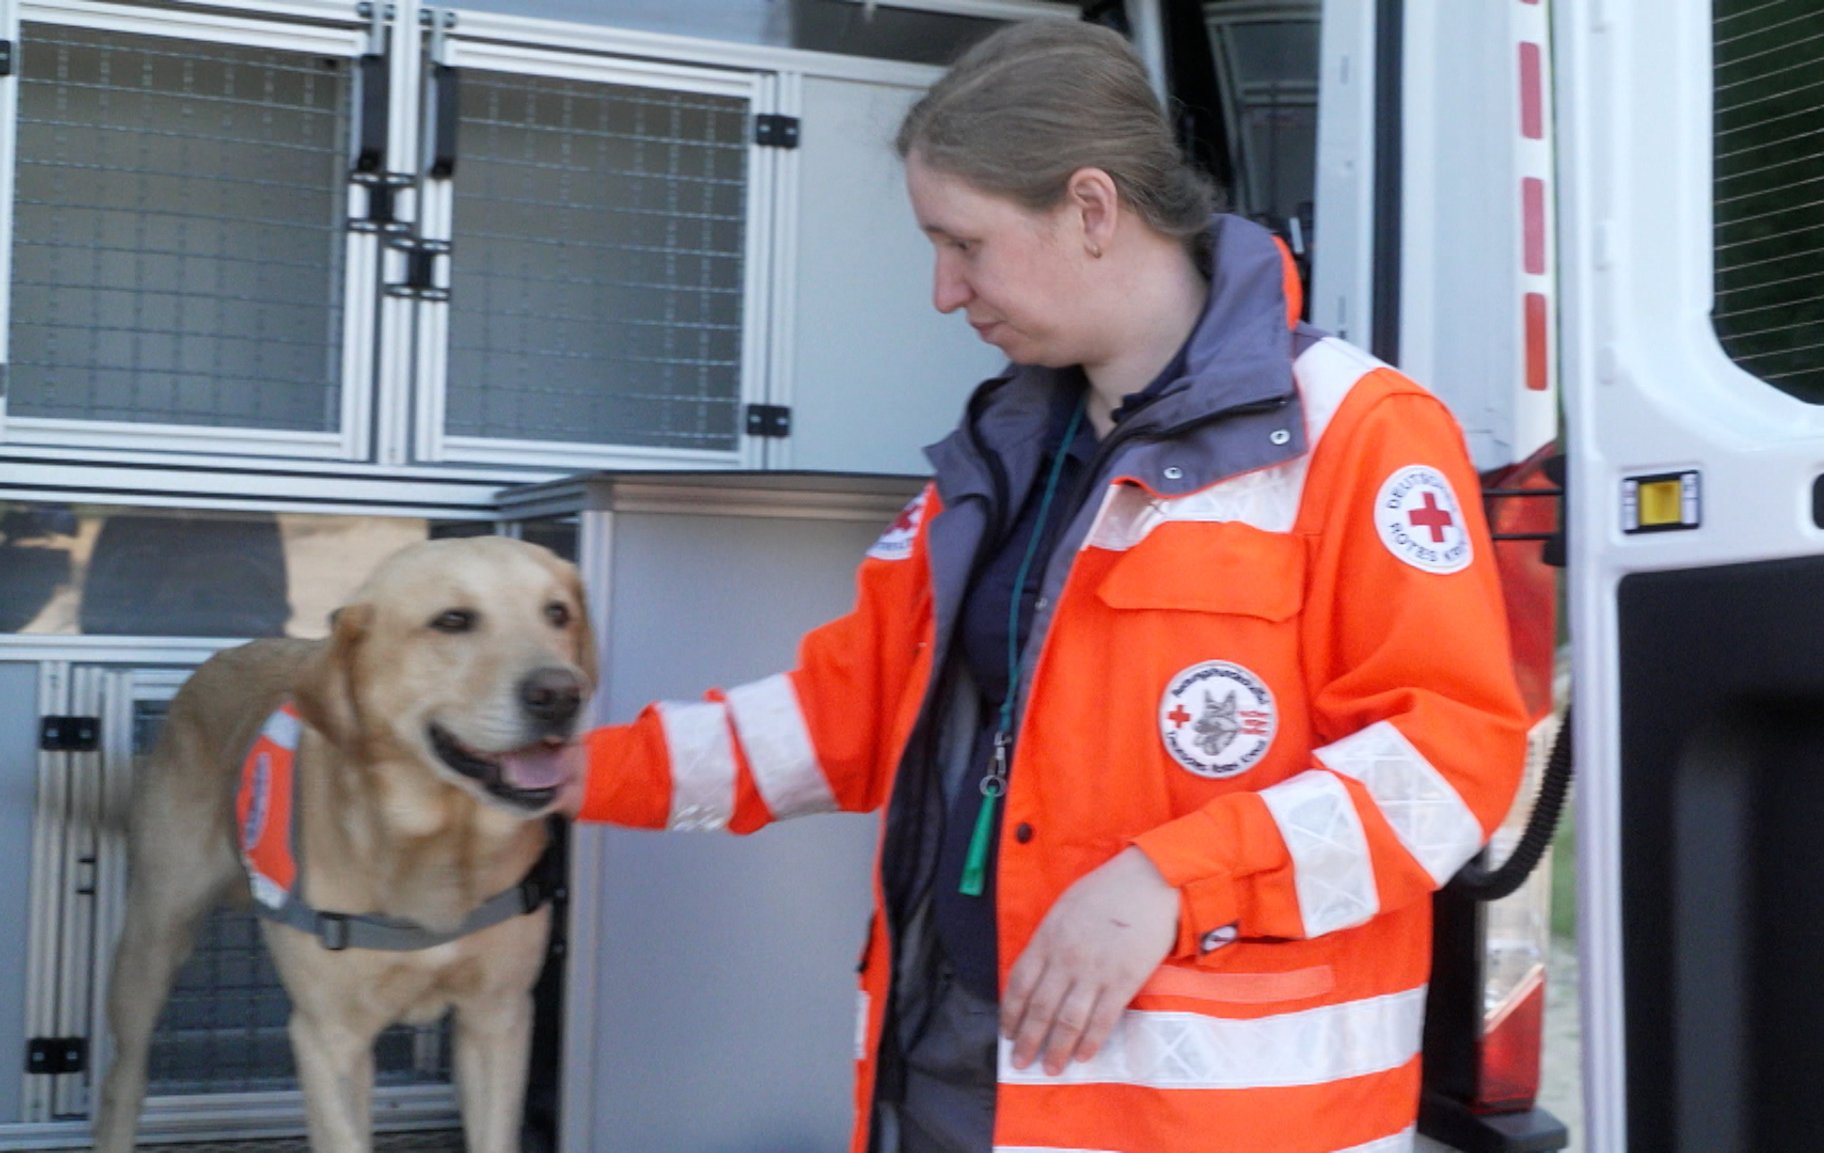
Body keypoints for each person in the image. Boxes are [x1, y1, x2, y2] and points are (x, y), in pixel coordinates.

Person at [572, 19, 1529, 1153]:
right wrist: (563, 774)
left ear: (1088, 207)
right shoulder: (997, 456)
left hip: (1216, 1118)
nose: (942, 290)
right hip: (954, 1072)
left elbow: (1447, 764)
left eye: (962, 242)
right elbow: (844, 715)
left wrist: (1171, 880)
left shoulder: (1358, 435)